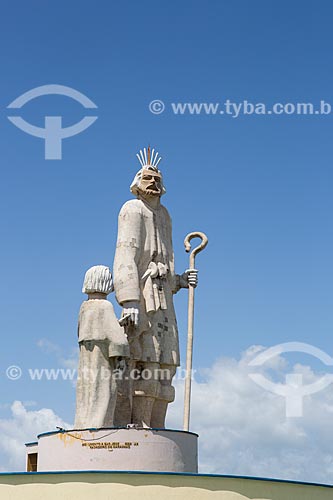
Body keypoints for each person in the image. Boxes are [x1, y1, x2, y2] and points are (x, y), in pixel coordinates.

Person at [113, 147, 198, 428]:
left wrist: (180, 280)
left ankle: (158, 425)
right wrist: (129, 301)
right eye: (147, 178)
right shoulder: (131, 209)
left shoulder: (165, 215)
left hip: (164, 300)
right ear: (137, 183)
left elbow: (166, 258)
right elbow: (125, 253)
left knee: (166, 364)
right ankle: (139, 423)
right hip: (143, 296)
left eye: (156, 178)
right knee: (145, 361)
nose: (153, 183)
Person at [74, 265, 129, 429]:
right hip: (103, 359)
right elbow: (117, 340)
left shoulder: (84, 307)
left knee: (87, 393)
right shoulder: (105, 306)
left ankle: (83, 425)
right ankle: (101, 426)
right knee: (103, 391)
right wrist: (123, 335)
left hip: (87, 357)